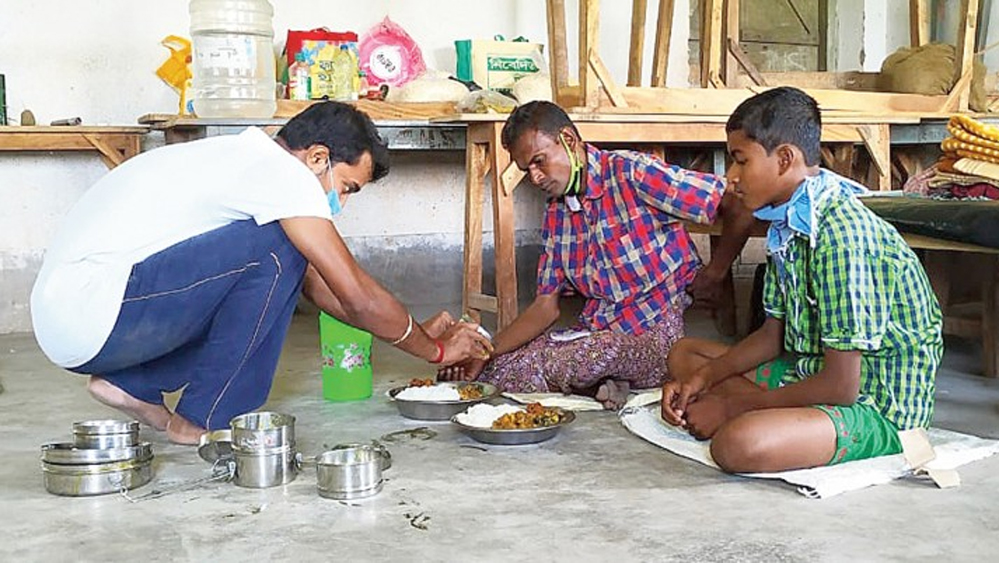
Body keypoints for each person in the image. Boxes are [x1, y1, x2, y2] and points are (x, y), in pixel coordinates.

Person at [31, 102, 492, 444]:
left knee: (280, 262)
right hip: (98, 308)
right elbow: (355, 295)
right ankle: (204, 420)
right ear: (317, 157)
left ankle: (132, 382)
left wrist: (413, 332)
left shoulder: (241, 162)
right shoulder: (282, 177)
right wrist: (433, 350)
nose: (341, 204)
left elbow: (324, 290)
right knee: (277, 251)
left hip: (78, 319)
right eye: (346, 187)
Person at [661, 87, 943, 473]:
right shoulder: (789, 221)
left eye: (740, 161)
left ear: (784, 160)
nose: (731, 177)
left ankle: (759, 416)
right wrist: (703, 379)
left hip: (874, 404)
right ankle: (769, 413)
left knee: (738, 444)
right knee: (686, 357)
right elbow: (771, 336)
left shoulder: (843, 234)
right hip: (809, 369)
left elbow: (842, 387)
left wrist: (731, 405)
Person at [439, 100, 754, 409]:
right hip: (596, 331)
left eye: (539, 161)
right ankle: (601, 384)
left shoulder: (632, 172)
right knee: (504, 367)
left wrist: (717, 272)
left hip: (656, 333)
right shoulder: (557, 214)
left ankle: (601, 379)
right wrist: (486, 354)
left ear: (570, 140)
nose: (535, 178)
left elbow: (737, 203)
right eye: (526, 170)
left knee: (598, 353)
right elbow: (545, 307)